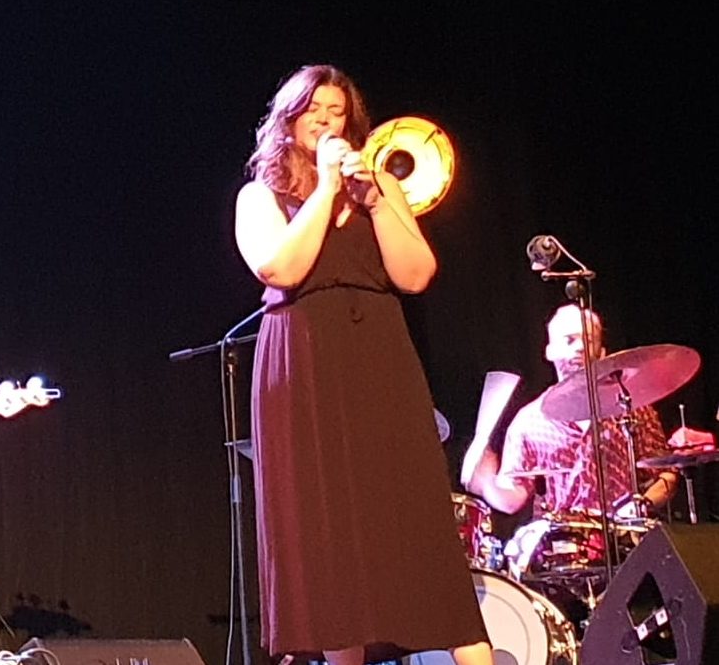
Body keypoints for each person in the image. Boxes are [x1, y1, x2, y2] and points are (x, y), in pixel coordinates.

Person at [234, 65, 490, 665]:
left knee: (416, 519)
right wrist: (326, 190)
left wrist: (375, 201)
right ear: (289, 120)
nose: (327, 122)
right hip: (303, 361)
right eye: (314, 111)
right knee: (327, 541)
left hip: (379, 357)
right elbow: (280, 269)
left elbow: (415, 275)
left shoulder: (380, 189)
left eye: (337, 112)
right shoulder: (259, 196)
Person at [463, 303, 677, 528]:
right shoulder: (529, 422)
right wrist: (486, 484)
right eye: (569, 340)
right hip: (566, 541)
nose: (580, 348)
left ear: (602, 352)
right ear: (550, 352)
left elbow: (667, 475)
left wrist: (640, 506)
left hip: (627, 534)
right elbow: (513, 499)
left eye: (589, 340)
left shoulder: (631, 407)